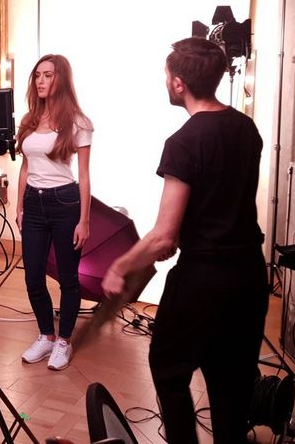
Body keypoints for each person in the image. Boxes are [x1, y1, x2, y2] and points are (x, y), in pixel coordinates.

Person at [102, 38, 267, 443]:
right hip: (249, 276)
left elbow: (164, 237)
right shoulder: (247, 129)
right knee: (231, 385)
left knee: (168, 369)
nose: (165, 82)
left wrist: (120, 266)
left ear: (179, 84)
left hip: (204, 279)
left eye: (166, 77)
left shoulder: (184, 141)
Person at [16, 54, 93, 371]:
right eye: (37, 76)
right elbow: (24, 167)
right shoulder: (29, 120)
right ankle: (46, 336)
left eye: (48, 75)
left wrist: (84, 220)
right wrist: (20, 205)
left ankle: (64, 341)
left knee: (68, 279)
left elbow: (85, 176)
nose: (41, 81)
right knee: (33, 276)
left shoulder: (78, 122)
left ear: (61, 79)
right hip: (34, 203)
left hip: (65, 203)